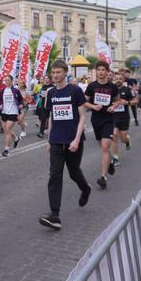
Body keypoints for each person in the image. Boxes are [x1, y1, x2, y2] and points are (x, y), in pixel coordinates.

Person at [38, 60, 91, 230]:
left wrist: (76, 139)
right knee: (54, 176)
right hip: (56, 140)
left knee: (74, 173)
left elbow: (82, 116)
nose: (55, 76)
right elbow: (52, 116)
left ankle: (85, 188)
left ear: (66, 73)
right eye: (53, 73)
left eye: (58, 72)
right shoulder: (51, 93)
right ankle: (55, 215)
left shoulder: (75, 90)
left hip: (73, 140)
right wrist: (49, 139)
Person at [84, 61, 121, 190]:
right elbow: (84, 102)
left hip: (108, 120)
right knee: (102, 146)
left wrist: (113, 106)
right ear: (96, 71)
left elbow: (118, 100)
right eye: (98, 69)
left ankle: (103, 177)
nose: (100, 72)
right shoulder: (91, 86)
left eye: (103, 70)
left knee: (105, 147)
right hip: (96, 120)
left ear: (107, 72)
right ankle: (110, 161)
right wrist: (93, 106)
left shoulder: (112, 86)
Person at [111, 72, 134, 166]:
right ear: (114, 79)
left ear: (123, 80)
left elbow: (135, 100)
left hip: (124, 117)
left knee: (123, 138)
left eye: (120, 79)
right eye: (116, 79)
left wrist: (127, 102)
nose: (118, 81)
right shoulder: (111, 90)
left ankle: (127, 141)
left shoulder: (127, 90)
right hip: (113, 117)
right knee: (114, 135)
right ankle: (115, 157)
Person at [0, 75, 23, 157]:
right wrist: (0, 105)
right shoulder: (3, 91)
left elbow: (21, 99)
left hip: (13, 112)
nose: (6, 82)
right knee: (6, 130)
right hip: (4, 112)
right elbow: (0, 100)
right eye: (5, 80)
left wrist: (21, 105)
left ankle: (6, 150)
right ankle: (16, 139)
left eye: (8, 80)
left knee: (8, 130)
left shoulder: (16, 90)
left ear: (12, 81)